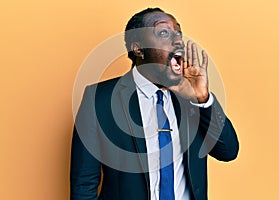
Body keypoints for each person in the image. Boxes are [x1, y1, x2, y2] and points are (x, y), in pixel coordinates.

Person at [70, 7, 239, 200]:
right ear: (138, 48)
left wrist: (202, 98)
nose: (178, 40)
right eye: (164, 33)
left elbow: (228, 151)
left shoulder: (191, 97)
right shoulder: (98, 99)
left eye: (179, 33)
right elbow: (84, 185)